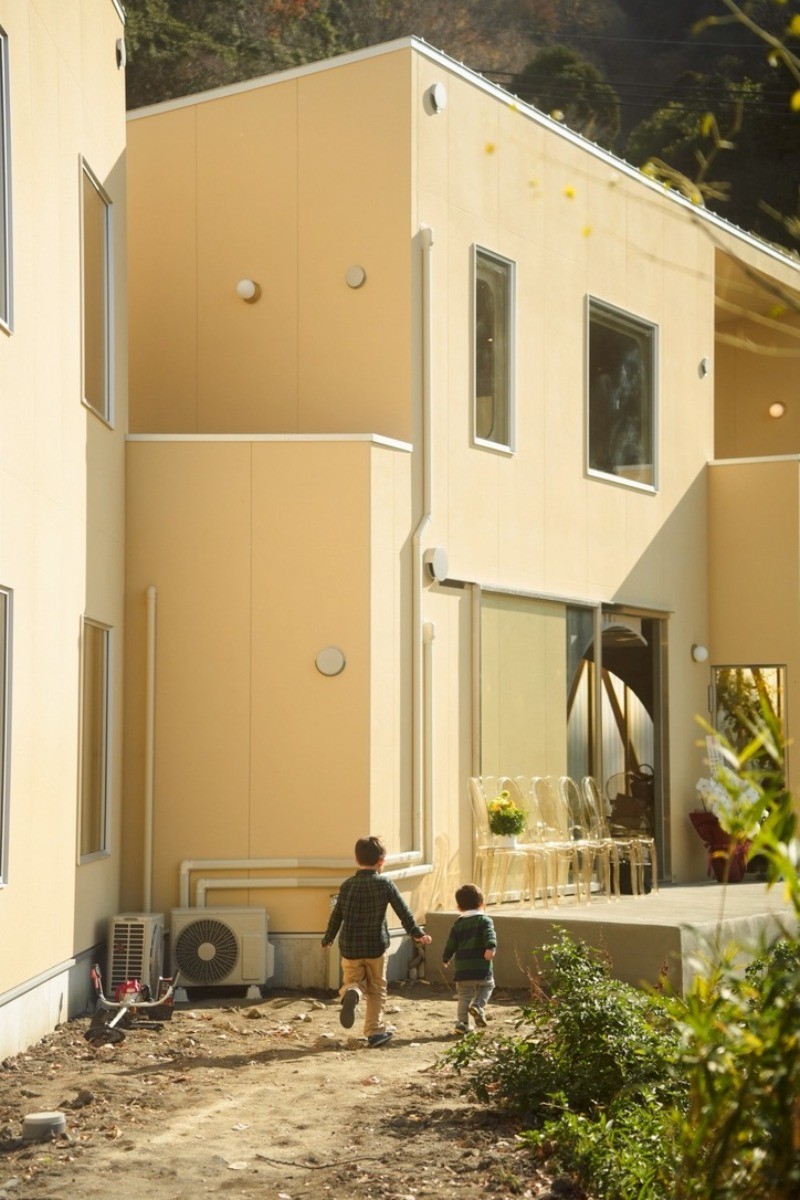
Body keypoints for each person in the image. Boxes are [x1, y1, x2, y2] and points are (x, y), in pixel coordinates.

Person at [321, 835, 432, 1048]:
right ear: (382, 861)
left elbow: (337, 916)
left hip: (350, 947)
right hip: (376, 947)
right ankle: (374, 1032)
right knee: (377, 988)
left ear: (356, 860)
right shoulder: (385, 884)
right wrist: (416, 933)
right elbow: (403, 911)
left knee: (353, 981)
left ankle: (352, 992)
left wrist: (328, 938)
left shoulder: (347, 885)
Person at [441, 883, 496, 1034]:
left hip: (463, 969)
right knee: (487, 986)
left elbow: (451, 943)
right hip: (482, 966)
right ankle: (478, 1006)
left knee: (464, 996)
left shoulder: (458, 924)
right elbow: (490, 934)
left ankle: (462, 1024)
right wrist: (490, 947)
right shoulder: (485, 920)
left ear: (459, 908)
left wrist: (446, 957)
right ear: (482, 903)